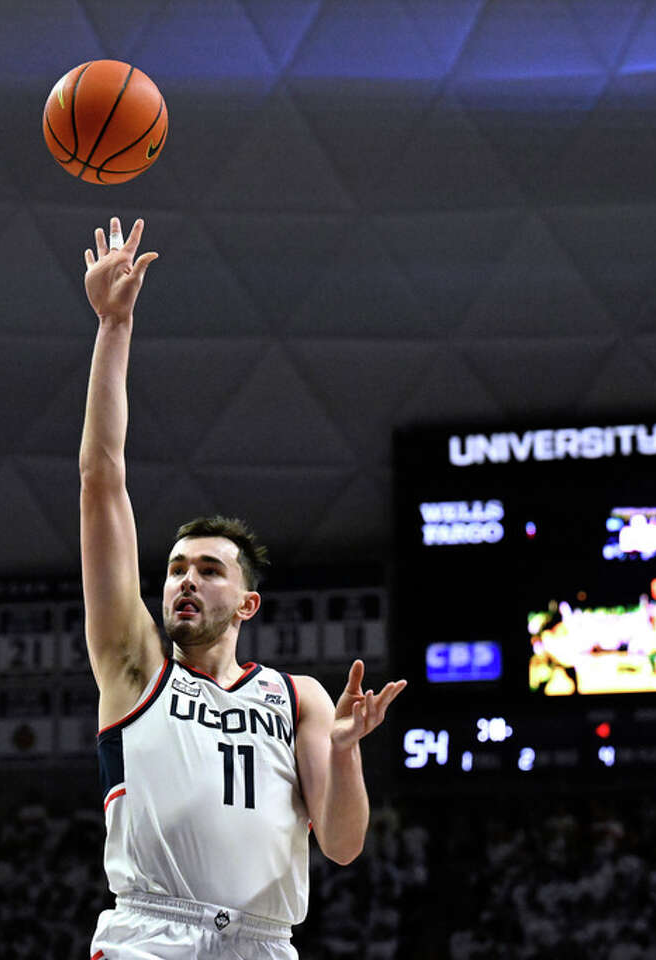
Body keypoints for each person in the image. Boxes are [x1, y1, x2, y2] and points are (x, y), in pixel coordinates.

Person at [77, 217, 407, 960]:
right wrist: (114, 325)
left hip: (264, 943)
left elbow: (346, 846)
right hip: (149, 935)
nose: (184, 581)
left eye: (207, 569)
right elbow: (102, 482)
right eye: (174, 568)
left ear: (248, 603)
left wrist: (348, 753)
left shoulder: (300, 699)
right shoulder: (136, 669)